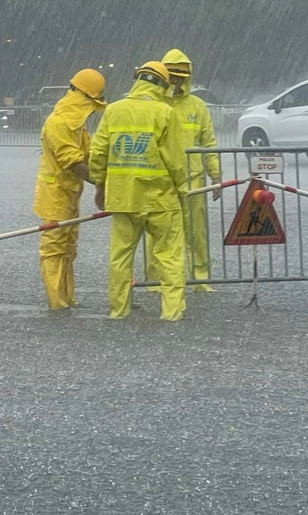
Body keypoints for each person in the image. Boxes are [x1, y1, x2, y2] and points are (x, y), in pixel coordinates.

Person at [89, 61, 191, 321]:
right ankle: (171, 313)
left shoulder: (113, 111)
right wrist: (183, 190)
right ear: (163, 85)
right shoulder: (165, 113)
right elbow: (176, 160)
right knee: (169, 257)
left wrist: (100, 185)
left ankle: (118, 310)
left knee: (120, 258)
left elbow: (98, 153)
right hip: (160, 200)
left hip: (123, 199)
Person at [143, 48, 221, 292]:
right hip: (160, 179)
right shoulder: (153, 105)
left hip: (192, 179)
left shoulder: (197, 106)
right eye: (172, 76)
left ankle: (200, 279)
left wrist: (215, 173)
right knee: (157, 232)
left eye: (181, 77)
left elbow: (208, 141)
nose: (176, 81)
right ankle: (155, 281)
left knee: (196, 233)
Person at [31, 68, 107, 310]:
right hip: (54, 196)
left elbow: (90, 154)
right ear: (81, 97)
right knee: (54, 246)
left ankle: (67, 296)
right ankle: (56, 301)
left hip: (70, 194)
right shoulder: (58, 123)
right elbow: (73, 162)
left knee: (68, 246)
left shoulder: (76, 126)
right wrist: (101, 181)